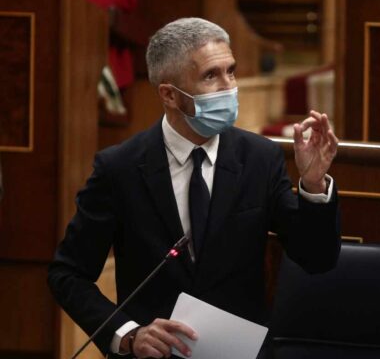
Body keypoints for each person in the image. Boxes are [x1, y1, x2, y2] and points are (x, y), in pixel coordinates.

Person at [48, 18, 341, 359]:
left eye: (230, 71)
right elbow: (67, 274)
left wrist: (313, 183)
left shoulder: (260, 159)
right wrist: (129, 334)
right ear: (169, 95)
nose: (229, 87)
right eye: (210, 76)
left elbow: (317, 259)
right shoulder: (120, 169)